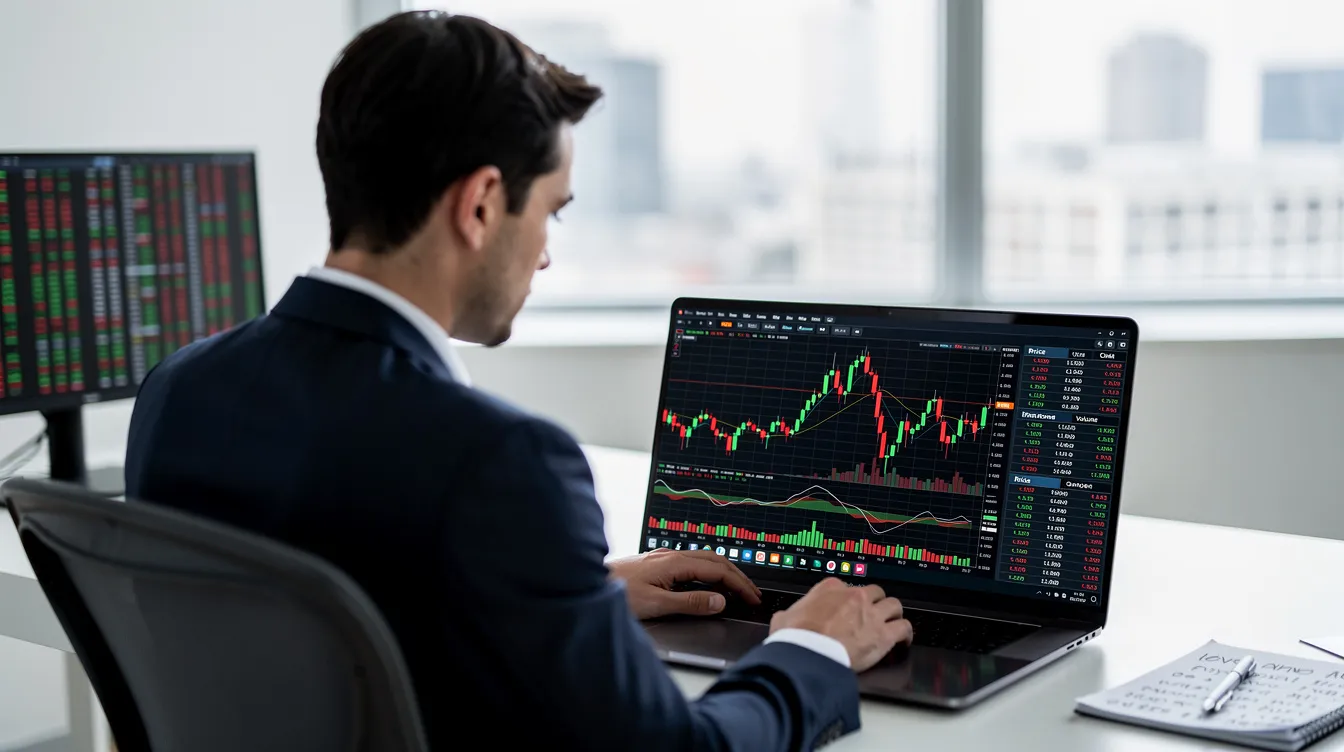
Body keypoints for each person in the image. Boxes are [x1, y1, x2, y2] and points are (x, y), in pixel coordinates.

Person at [124, 11, 912, 751]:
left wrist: (569, 598)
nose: (544, 254)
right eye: (551, 212)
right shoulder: (500, 466)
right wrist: (813, 648)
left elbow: (326, 598)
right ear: (480, 204)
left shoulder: (178, 392)